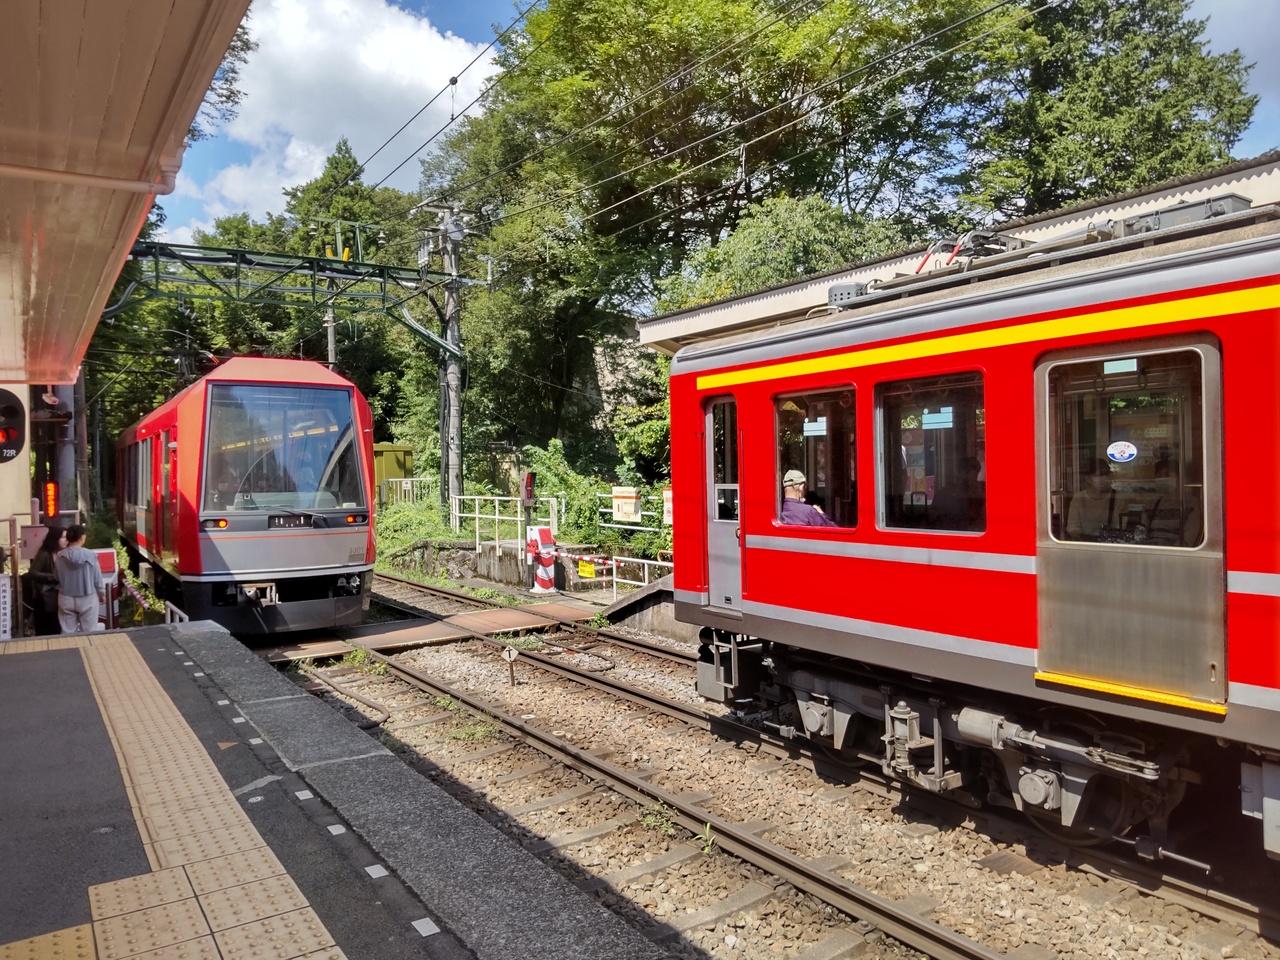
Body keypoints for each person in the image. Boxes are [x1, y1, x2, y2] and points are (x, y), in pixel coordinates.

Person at [54, 525, 105, 634]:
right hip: (88, 597)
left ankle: (69, 646)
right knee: (89, 632)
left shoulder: (59, 556)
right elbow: (97, 578)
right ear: (82, 537)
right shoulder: (91, 555)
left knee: (67, 633)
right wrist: (102, 594)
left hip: (66, 597)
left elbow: (56, 577)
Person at [27, 526, 66, 635]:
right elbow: (32, 573)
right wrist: (52, 577)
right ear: (55, 538)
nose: (66, 540)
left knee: (57, 628)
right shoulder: (44, 554)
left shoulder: (63, 553)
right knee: (46, 629)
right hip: (44, 599)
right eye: (63, 537)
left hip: (57, 597)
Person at [1066, 458, 1116, 541]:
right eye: (1099, 475)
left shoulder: (1118, 498)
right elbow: (1073, 528)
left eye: (1107, 475)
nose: (1104, 479)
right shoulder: (1079, 498)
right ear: (1088, 478)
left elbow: (1119, 528)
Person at [930, 457, 983, 530]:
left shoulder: (976, 495)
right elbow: (933, 519)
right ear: (961, 474)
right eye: (974, 476)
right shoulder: (944, 494)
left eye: (975, 477)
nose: (975, 481)